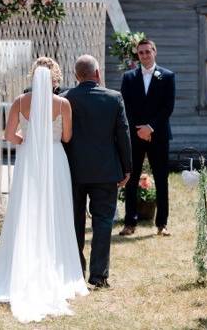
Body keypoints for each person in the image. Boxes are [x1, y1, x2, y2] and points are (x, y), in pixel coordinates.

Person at [0, 57, 88, 323]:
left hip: (27, 159)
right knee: (56, 210)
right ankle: (57, 270)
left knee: (26, 210)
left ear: (33, 77)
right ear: (55, 79)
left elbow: (9, 135)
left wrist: (29, 140)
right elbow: (67, 137)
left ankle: (20, 266)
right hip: (55, 159)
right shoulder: (63, 104)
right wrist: (48, 139)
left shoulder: (20, 103)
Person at [63, 55, 132, 287]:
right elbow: (123, 134)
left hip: (73, 170)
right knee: (103, 222)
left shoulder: (64, 99)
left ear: (76, 76)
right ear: (98, 73)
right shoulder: (114, 98)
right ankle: (99, 275)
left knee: (74, 221)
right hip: (105, 170)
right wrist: (127, 167)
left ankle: (75, 272)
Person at [119, 39, 175, 236]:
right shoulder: (128, 77)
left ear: (155, 51)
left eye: (147, 52)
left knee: (161, 179)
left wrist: (150, 128)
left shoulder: (167, 76)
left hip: (158, 135)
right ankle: (129, 222)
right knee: (131, 179)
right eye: (141, 53)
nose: (144, 55)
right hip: (134, 136)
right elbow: (125, 106)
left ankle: (162, 223)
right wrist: (139, 130)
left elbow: (168, 107)